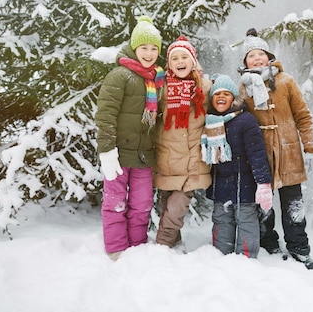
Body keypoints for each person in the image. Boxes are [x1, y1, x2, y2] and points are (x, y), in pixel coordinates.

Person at [237, 28, 313, 269]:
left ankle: (299, 247)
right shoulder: (244, 87)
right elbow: (237, 116)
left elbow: (303, 115)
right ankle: (268, 243)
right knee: (263, 204)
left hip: (288, 151)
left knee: (294, 204)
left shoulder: (285, 81)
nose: (257, 59)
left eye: (260, 54)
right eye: (251, 56)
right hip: (260, 155)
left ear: (269, 56)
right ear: (245, 62)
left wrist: (310, 142)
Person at [95, 15, 165, 261]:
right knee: (115, 202)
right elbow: (105, 114)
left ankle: (136, 247)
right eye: (144, 47)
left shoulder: (157, 80)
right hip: (118, 153)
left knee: (142, 203)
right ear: (135, 48)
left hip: (144, 154)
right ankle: (116, 249)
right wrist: (106, 150)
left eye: (153, 48)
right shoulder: (119, 75)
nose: (148, 53)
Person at [202, 74, 273, 258]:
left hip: (244, 184)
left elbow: (257, 154)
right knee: (221, 220)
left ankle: (247, 260)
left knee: (246, 221)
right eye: (217, 94)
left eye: (226, 94)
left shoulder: (246, 120)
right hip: (221, 184)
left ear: (234, 98)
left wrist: (263, 184)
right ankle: (220, 258)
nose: (221, 97)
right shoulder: (210, 121)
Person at [152, 36, 212, 249]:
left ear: (193, 61)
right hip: (166, 157)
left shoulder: (204, 88)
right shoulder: (160, 89)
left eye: (184, 57)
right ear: (169, 64)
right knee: (165, 205)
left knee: (177, 208)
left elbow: (225, 101)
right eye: (174, 58)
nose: (179, 61)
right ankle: (174, 242)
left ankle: (162, 245)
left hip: (191, 161)